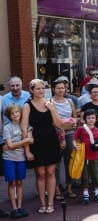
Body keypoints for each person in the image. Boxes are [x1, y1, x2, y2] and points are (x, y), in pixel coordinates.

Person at [21, 79, 62, 214]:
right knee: (40, 173)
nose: (41, 91)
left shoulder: (49, 103)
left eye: (42, 88)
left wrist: (51, 109)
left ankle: (50, 203)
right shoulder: (27, 106)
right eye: (37, 88)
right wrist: (27, 150)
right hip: (36, 142)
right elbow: (24, 128)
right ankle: (42, 203)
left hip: (51, 140)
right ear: (31, 90)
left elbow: (58, 124)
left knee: (50, 172)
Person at [3, 104, 33, 218]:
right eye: (12, 113)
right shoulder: (7, 127)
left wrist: (27, 141)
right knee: (12, 182)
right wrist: (25, 141)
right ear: (9, 116)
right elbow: (10, 145)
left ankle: (20, 206)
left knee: (20, 182)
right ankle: (14, 208)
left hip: (20, 158)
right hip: (9, 158)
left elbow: (31, 140)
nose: (15, 115)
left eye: (17, 112)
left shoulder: (24, 126)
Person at [51, 76, 78, 200]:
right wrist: (61, 125)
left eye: (63, 88)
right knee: (56, 163)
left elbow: (75, 117)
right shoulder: (50, 102)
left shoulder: (70, 101)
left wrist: (73, 123)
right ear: (53, 89)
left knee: (70, 162)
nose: (61, 90)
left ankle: (69, 187)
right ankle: (56, 189)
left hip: (70, 134)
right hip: (56, 136)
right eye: (58, 88)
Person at [74, 109, 98, 204]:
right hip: (83, 157)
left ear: (96, 119)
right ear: (85, 119)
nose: (91, 120)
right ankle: (85, 194)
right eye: (88, 118)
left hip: (94, 156)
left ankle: (97, 192)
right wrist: (75, 145)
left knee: (96, 175)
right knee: (85, 176)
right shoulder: (81, 129)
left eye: (93, 118)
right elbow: (75, 139)